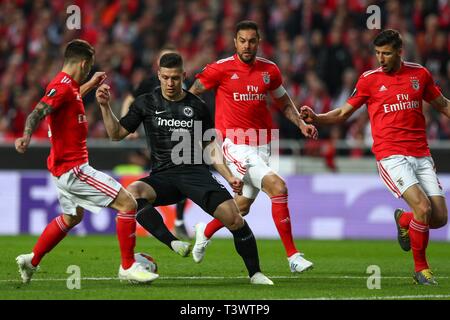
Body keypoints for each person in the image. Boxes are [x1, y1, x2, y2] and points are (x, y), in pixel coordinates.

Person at [96, 52, 273, 285]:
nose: (170, 83)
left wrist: (229, 176)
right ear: (159, 75)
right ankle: (172, 241)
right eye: (166, 78)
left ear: (184, 76)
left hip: (195, 174)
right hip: (163, 177)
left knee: (235, 219)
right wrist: (105, 106)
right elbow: (116, 134)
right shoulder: (145, 103)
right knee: (133, 193)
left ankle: (256, 274)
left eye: (176, 78)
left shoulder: (197, 105)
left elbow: (210, 146)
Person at [300, 29, 449, 285]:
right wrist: (318, 118)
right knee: (422, 208)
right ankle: (421, 270)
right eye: (378, 53)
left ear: (400, 52)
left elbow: (443, 104)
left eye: (387, 53)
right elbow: (344, 113)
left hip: (421, 154)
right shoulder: (369, 80)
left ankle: (403, 219)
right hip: (391, 156)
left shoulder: (419, 74)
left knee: (439, 218)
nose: (381, 58)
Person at [14, 39, 158, 284]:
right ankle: (127, 267)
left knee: (72, 218)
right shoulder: (61, 86)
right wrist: (26, 135)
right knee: (128, 204)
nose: (89, 71)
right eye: (89, 67)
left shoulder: (68, 88)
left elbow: (69, 99)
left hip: (63, 169)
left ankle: (32, 259)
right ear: (82, 63)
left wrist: (91, 84)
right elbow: (38, 111)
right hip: (74, 169)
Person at [189, 20, 317, 273]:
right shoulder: (221, 69)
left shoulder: (270, 70)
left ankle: (206, 230)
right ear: (235, 42)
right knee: (278, 187)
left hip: (264, 145)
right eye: (242, 41)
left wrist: (301, 124)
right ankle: (293, 256)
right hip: (236, 145)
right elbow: (193, 93)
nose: (247, 46)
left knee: (242, 206)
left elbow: (282, 101)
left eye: (252, 41)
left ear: (258, 42)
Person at [121, 46, 191, 240]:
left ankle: (177, 221)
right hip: (156, 135)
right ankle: (161, 221)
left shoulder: (186, 82)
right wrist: (128, 124)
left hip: (181, 136)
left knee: (184, 174)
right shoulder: (149, 83)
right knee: (160, 177)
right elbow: (130, 99)